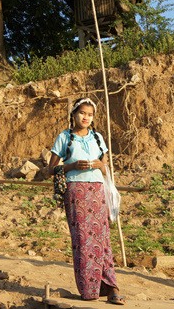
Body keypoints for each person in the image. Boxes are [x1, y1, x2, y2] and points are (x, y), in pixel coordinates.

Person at [47, 97, 125, 305]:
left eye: (90, 114)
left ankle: (111, 287)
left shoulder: (98, 138)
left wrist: (100, 165)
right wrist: (71, 167)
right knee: (83, 240)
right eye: (82, 113)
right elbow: (49, 169)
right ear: (74, 114)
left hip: (97, 191)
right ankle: (89, 289)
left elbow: (105, 167)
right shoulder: (64, 137)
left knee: (103, 239)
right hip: (75, 192)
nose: (86, 117)